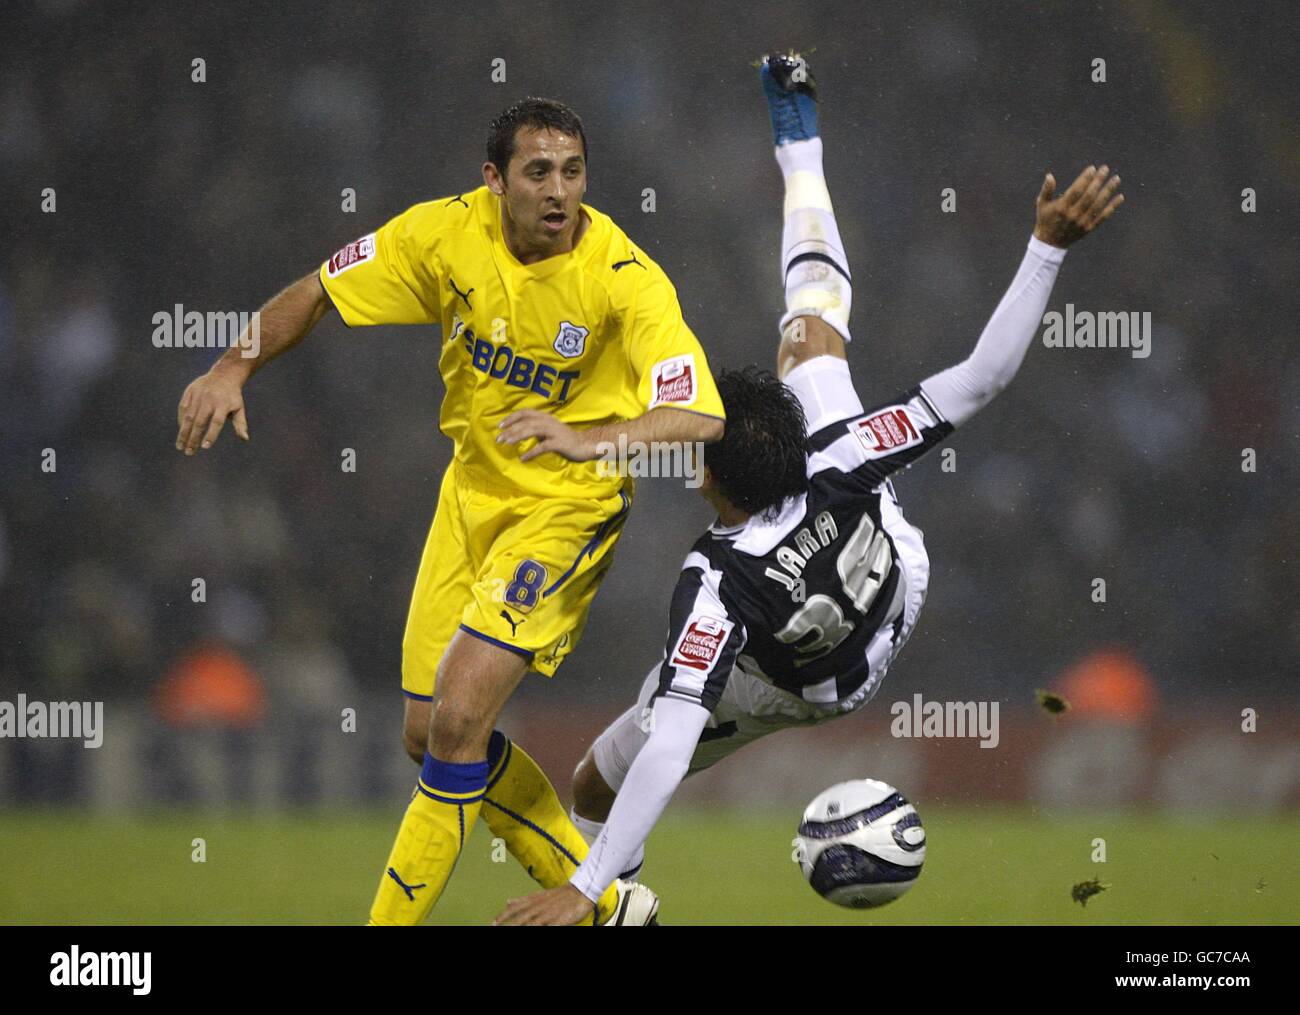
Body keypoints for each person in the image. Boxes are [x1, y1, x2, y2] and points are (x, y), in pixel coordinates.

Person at [493, 52, 1123, 925]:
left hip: (801, 684)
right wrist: (1046, 250)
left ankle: (624, 908)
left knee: (596, 778)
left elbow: (671, 743)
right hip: (897, 578)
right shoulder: (845, 448)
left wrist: (584, 883)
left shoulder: (717, 584)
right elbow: (980, 379)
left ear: (709, 472)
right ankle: (803, 150)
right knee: (814, 336)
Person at [174, 97, 727, 926]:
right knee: (430, 731)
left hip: (567, 509)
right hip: (470, 498)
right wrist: (231, 366)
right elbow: (322, 287)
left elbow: (700, 415)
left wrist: (592, 441)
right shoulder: (444, 234)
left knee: (464, 713)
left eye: (573, 172)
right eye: (538, 172)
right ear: (493, 180)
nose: (559, 192)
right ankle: (611, 906)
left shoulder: (623, 278)